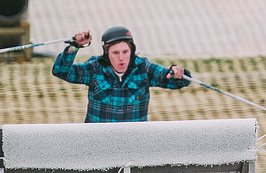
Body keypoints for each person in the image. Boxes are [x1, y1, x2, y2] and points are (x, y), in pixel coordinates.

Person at [52, 26, 191, 122]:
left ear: (131, 51)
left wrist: (179, 74)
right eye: (115, 53)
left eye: (125, 52)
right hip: (97, 141)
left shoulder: (144, 68)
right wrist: (74, 46)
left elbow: (174, 79)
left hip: (134, 143)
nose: (121, 58)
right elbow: (61, 71)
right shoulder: (95, 69)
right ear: (106, 53)